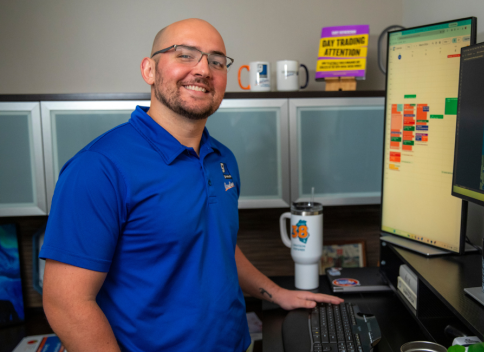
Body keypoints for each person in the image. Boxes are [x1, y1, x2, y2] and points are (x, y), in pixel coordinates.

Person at [40, 18, 342, 352]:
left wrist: (276, 293)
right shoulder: (98, 168)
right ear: (149, 70)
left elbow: (216, 244)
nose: (203, 70)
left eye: (216, 61)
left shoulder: (222, 158)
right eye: (184, 55)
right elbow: (66, 303)